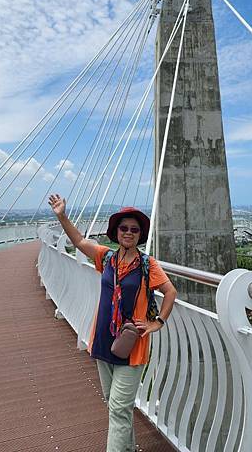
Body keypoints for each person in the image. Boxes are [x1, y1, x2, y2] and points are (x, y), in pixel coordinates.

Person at [48, 193, 177, 452]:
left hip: (132, 345)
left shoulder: (147, 265)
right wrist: (62, 215)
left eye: (134, 229)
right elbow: (79, 241)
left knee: (118, 406)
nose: (128, 232)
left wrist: (157, 323)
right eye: (124, 228)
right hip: (104, 340)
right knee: (115, 403)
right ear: (116, 232)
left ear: (140, 235)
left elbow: (170, 291)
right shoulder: (107, 258)